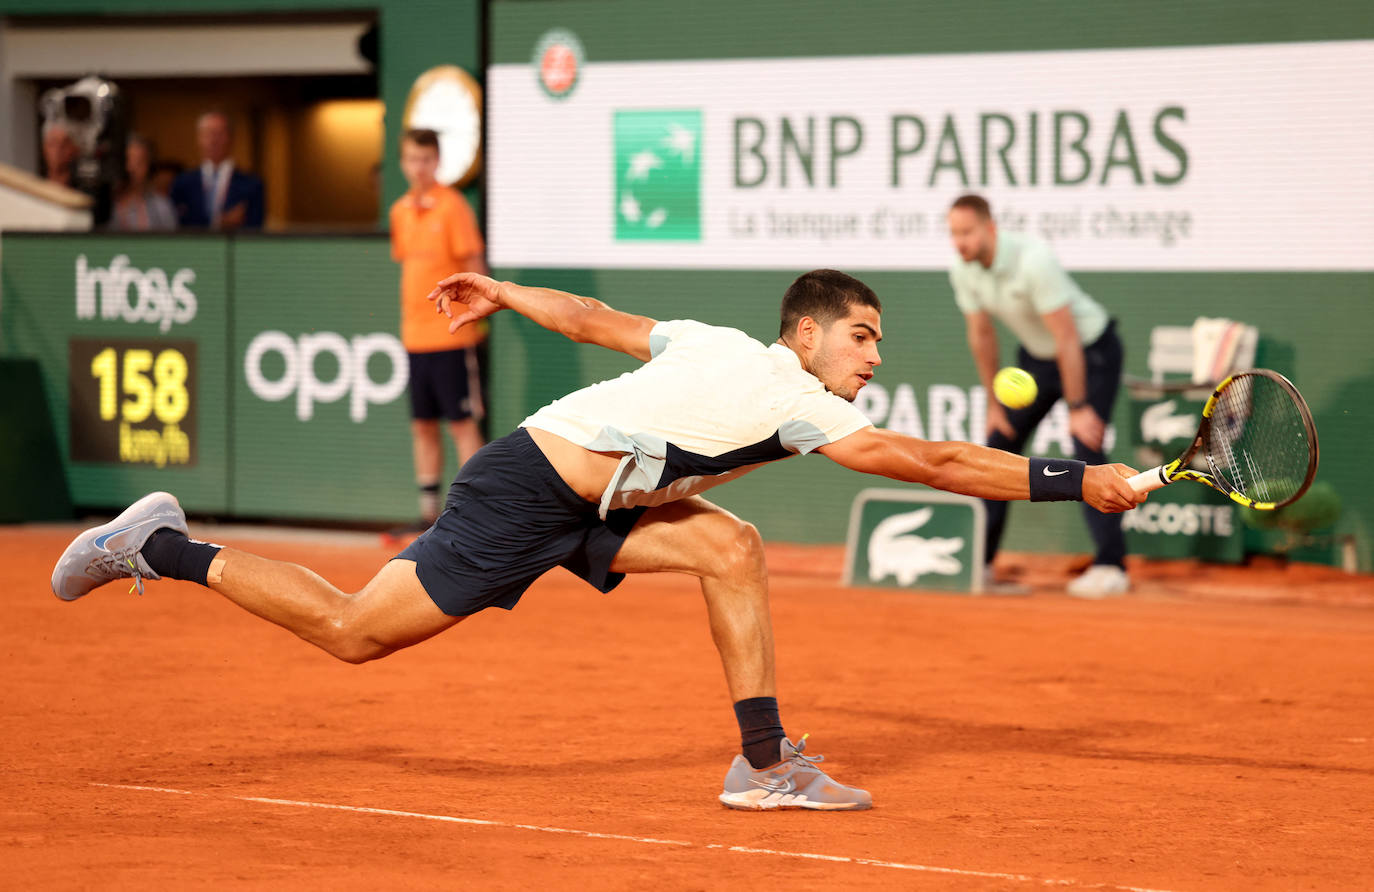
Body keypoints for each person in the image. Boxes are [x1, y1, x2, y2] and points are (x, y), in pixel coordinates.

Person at [52, 269, 1144, 811]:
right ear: (805, 331)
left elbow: (592, 321)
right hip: (529, 492)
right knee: (352, 630)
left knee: (734, 547)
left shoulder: (720, 341)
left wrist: (503, 290)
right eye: (859, 336)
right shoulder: (802, 395)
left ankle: (763, 761)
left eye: (874, 342)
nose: (869, 356)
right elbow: (939, 463)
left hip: (603, 500)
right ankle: (161, 548)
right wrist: (1077, 477)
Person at [946, 194, 1129, 597]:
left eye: (967, 232)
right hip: (1037, 360)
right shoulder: (963, 270)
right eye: (954, 234)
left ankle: (1111, 567)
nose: (960, 242)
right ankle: (981, 564)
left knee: (1086, 446)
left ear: (990, 229)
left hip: (1090, 351)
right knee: (997, 448)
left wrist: (1078, 407)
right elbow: (981, 334)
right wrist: (994, 405)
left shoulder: (1034, 260)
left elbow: (1067, 336)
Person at [389, 129, 489, 524]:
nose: (420, 167)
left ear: (438, 161)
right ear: (403, 163)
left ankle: (477, 511)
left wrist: (476, 315)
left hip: (452, 336)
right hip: (414, 339)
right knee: (422, 425)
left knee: (462, 425)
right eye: (413, 159)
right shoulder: (400, 211)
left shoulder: (454, 207)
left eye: (427, 159)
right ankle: (428, 515)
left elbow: (476, 268)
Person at [169, 111, 264, 230]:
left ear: (230, 137)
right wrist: (218, 222)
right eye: (208, 134)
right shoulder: (183, 182)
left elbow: (256, 228)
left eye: (219, 134)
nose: (213, 140)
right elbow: (175, 224)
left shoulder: (252, 184)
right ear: (198, 138)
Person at [110, 135, 177, 231]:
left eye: (139, 163)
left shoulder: (162, 207)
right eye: (129, 161)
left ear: (150, 167)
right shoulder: (112, 204)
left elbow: (172, 243)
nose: (131, 169)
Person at [40, 121, 79, 189]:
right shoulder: (34, 189)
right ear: (44, 149)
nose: (58, 150)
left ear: (74, 150)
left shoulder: (83, 194)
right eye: (53, 144)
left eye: (64, 144)